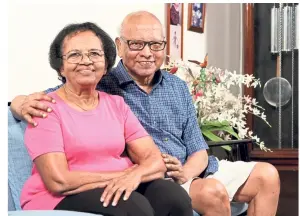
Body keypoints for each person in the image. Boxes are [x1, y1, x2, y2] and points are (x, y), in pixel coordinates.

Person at [11, 11, 280, 216]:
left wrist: (180, 173)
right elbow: (54, 98)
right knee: (170, 198)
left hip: (177, 171)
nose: (147, 53)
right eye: (137, 44)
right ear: (119, 47)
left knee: (264, 175)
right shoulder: (98, 85)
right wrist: (18, 103)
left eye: (155, 45)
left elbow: (195, 148)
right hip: (127, 179)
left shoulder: (168, 88)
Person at [17, 22, 194, 216]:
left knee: (173, 197)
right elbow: (58, 181)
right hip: (57, 197)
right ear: (61, 67)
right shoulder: (45, 107)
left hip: (118, 184)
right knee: (133, 207)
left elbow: (155, 161)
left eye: (95, 54)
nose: (86, 61)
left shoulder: (116, 104)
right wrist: (122, 176)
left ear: (106, 65)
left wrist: (133, 176)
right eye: (75, 55)